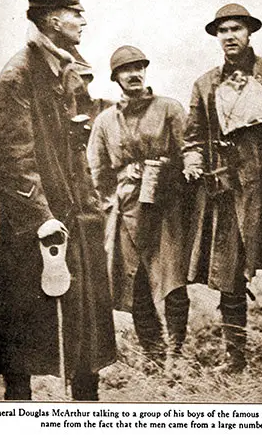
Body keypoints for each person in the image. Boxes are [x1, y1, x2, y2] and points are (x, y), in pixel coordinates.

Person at [0, 0, 116, 401]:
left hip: (74, 210)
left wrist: (87, 204)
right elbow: (11, 157)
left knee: (85, 323)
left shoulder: (69, 70)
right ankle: (19, 411)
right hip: (29, 216)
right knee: (20, 329)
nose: (84, 21)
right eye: (77, 14)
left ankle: (87, 408)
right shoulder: (18, 73)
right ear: (53, 20)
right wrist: (42, 219)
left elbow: (77, 141)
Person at [183, 4, 262, 373]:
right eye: (222, 31)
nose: (229, 36)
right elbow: (193, 137)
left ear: (250, 33)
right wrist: (193, 160)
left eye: (236, 29)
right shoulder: (205, 84)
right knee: (229, 273)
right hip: (227, 187)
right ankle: (235, 357)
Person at [87, 46, 190, 375]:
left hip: (165, 209)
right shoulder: (104, 121)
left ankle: (177, 353)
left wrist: (165, 170)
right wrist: (120, 181)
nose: (134, 74)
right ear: (116, 77)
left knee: (173, 282)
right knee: (137, 286)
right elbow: (96, 173)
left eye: (139, 68)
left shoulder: (170, 109)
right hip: (127, 214)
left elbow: (189, 152)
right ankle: (155, 353)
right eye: (125, 70)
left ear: (146, 71)